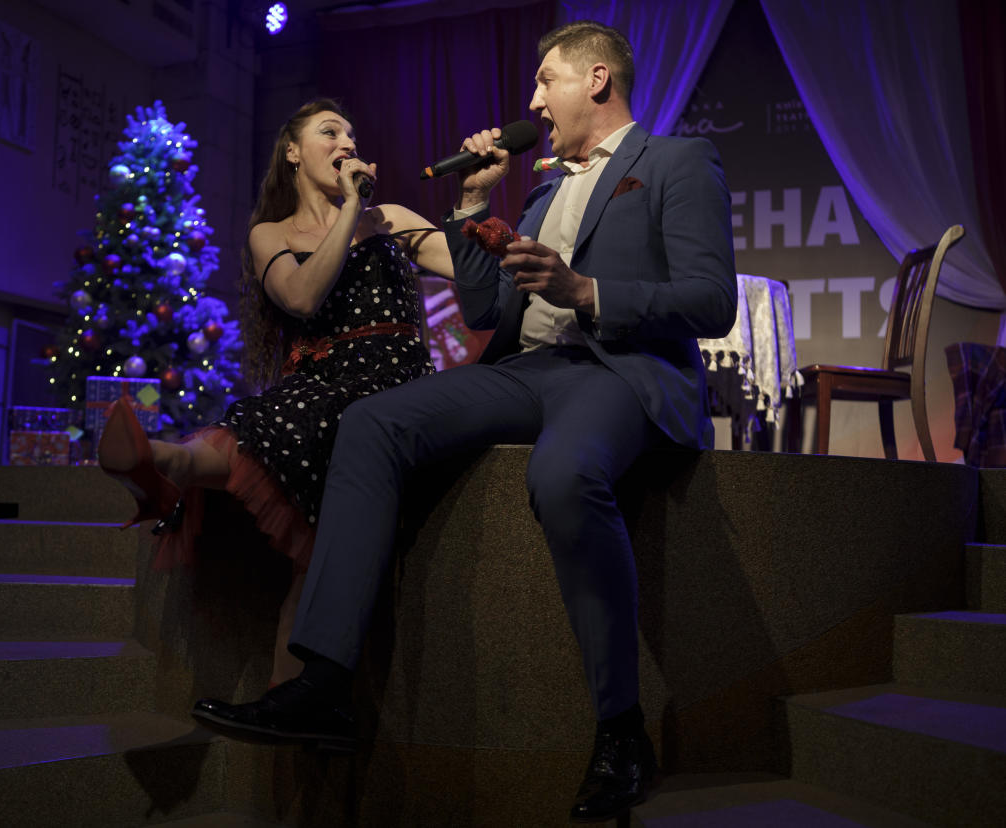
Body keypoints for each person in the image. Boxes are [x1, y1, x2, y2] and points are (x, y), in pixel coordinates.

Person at [190, 21, 738, 823]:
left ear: (595, 79)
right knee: (371, 423)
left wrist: (587, 292)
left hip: (617, 370)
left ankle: (622, 731)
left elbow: (711, 300)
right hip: (526, 371)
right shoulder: (545, 186)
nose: (531, 101)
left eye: (545, 80)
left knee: (562, 473)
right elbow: (486, 308)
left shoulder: (678, 162)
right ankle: (325, 683)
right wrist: (475, 203)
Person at [97, 99, 454, 688]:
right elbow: (302, 297)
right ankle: (163, 458)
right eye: (329, 131)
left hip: (392, 380)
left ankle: (166, 463)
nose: (347, 142)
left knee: (309, 511)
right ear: (292, 151)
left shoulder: (388, 216)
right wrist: (349, 213)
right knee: (301, 543)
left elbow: (469, 268)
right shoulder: (273, 233)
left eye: (352, 133)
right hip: (320, 388)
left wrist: (475, 204)